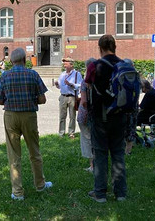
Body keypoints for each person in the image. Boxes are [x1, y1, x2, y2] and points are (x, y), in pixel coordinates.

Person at [0, 48, 53, 201]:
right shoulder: (33, 74)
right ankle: (40, 184)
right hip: (29, 116)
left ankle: (18, 192)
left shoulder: (5, 76)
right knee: (34, 151)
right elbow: (43, 99)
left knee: (14, 154)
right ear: (25, 60)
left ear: (11, 61)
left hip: (11, 116)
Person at [84, 35, 128, 203]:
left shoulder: (95, 65)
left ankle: (100, 193)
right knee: (118, 153)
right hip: (120, 115)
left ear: (100, 48)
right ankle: (121, 193)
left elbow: (88, 85)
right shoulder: (123, 64)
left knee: (100, 154)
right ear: (115, 46)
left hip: (101, 116)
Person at [54, 57, 83, 138]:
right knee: (62, 116)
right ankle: (61, 133)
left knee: (72, 116)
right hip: (63, 97)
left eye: (66, 64)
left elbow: (80, 85)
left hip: (72, 97)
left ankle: (71, 133)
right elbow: (60, 86)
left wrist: (71, 84)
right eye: (64, 64)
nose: (64, 65)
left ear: (71, 65)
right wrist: (57, 84)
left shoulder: (77, 74)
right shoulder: (62, 74)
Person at [77, 57, 96, 173]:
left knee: (87, 139)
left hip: (86, 115)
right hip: (98, 115)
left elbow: (84, 101)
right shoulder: (101, 81)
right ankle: (97, 164)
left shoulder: (85, 82)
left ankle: (92, 166)